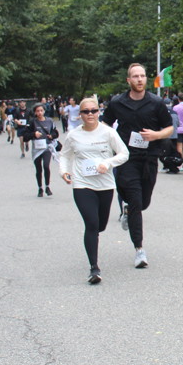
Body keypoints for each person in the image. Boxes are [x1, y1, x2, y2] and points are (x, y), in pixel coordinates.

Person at [102, 63, 174, 269]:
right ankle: (139, 250)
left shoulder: (156, 102)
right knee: (135, 201)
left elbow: (169, 127)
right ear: (129, 80)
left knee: (143, 203)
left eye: (142, 76)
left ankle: (129, 211)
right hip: (126, 158)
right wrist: (111, 142)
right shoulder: (117, 102)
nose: (139, 79)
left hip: (149, 156)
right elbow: (105, 124)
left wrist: (156, 135)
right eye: (135, 76)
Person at [59, 97, 130, 284]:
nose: (90, 114)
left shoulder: (108, 132)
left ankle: (99, 231)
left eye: (93, 110)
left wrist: (108, 163)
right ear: (80, 115)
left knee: (100, 225)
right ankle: (94, 268)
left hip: (105, 185)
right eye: (86, 111)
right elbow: (64, 156)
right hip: (82, 184)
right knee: (91, 224)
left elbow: (124, 153)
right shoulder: (73, 135)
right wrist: (64, 171)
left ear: (99, 112)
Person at [22, 103, 59, 197]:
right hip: (37, 148)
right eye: (37, 111)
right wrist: (34, 134)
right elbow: (25, 136)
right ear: (35, 112)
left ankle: (47, 186)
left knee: (46, 166)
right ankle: (40, 188)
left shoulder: (49, 121)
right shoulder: (32, 122)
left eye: (41, 110)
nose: (39, 113)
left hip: (47, 147)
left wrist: (52, 136)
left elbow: (55, 132)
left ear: (44, 111)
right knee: (38, 169)